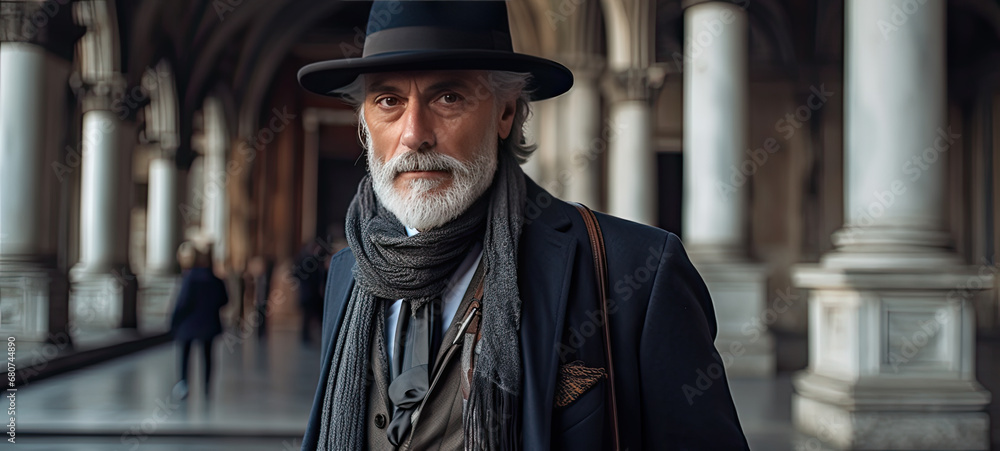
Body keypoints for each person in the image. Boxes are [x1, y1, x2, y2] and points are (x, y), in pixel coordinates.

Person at [297, 2, 748, 450]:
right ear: (365, 121)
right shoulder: (349, 271)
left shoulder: (638, 270)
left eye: (448, 97)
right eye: (388, 100)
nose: (415, 133)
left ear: (506, 113)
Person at [170, 241, 229, 400]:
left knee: (185, 355)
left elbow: (182, 303)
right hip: (209, 323)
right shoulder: (216, 280)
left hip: (188, 325)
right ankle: (207, 386)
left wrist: (174, 322)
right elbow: (224, 300)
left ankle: (184, 383)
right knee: (208, 356)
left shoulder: (189, 279)